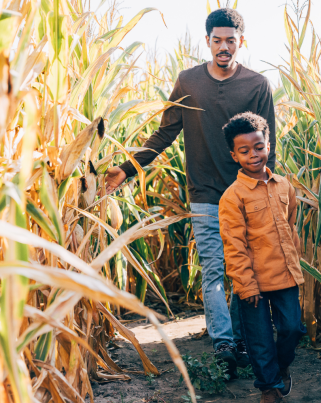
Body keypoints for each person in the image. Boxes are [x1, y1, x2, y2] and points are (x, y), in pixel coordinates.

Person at [104, 8, 277, 377]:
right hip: (204, 195)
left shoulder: (257, 85)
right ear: (208, 42)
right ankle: (225, 344)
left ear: (240, 42)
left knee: (242, 270)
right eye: (218, 40)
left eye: (231, 40)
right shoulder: (188, 82)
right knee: (213, 268)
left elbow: (268, 147)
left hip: (245, 195)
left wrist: (269, 195)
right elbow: (165, 134)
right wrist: (128, 169)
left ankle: (239, 336)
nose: (224, 47)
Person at [218, 112, 307, 403]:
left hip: (284, 275)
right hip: (253, 282)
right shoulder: (233, 197)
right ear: (234, 155)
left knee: (292, 329)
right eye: (244, 151)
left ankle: (281, 368)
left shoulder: (284, 186)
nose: (253, 155)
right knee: (259, 340)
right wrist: (246, 285)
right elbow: (234, 245)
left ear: (268, 146)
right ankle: (268, 388)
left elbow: (290, 227)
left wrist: (295, 267)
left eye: (258, 147)